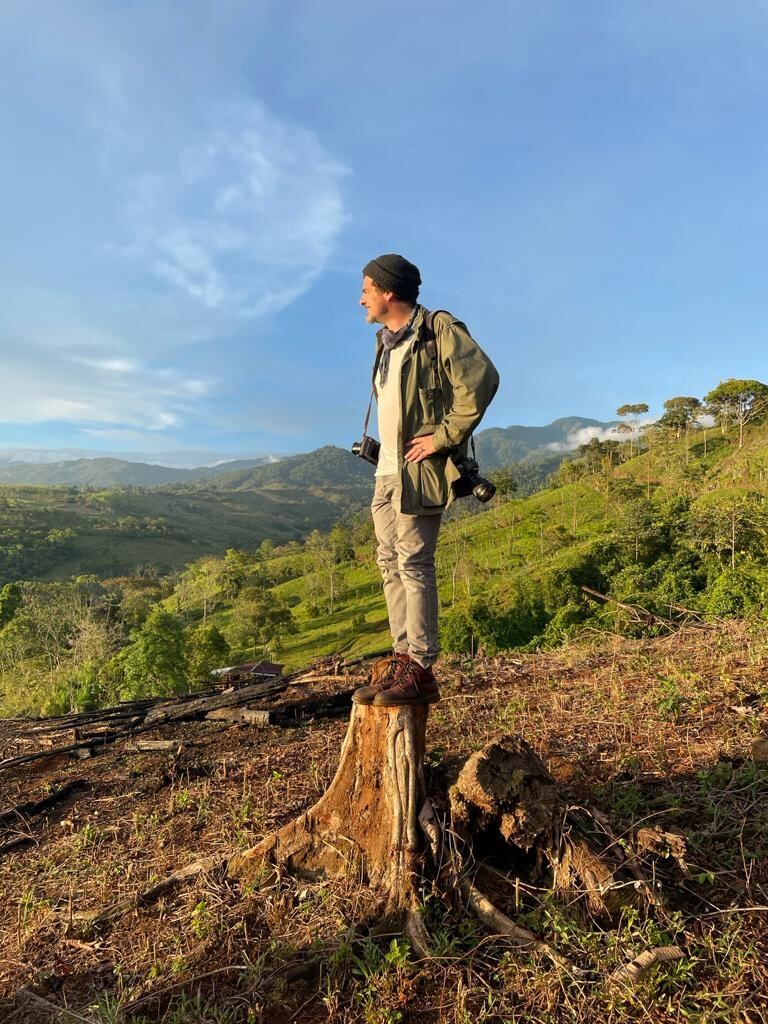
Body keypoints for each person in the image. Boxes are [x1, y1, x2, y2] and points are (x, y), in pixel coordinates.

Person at [352, 254, 499, 707]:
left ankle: (420, 665)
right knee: (389, 563)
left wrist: (444, 437)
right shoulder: (388, 341)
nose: (361, 299)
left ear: (387, 292)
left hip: (420, 471)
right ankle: (402, 658)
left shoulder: (438, 330)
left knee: (414, 563)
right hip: (388, 470)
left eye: (366, 290)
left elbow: (483, 380)